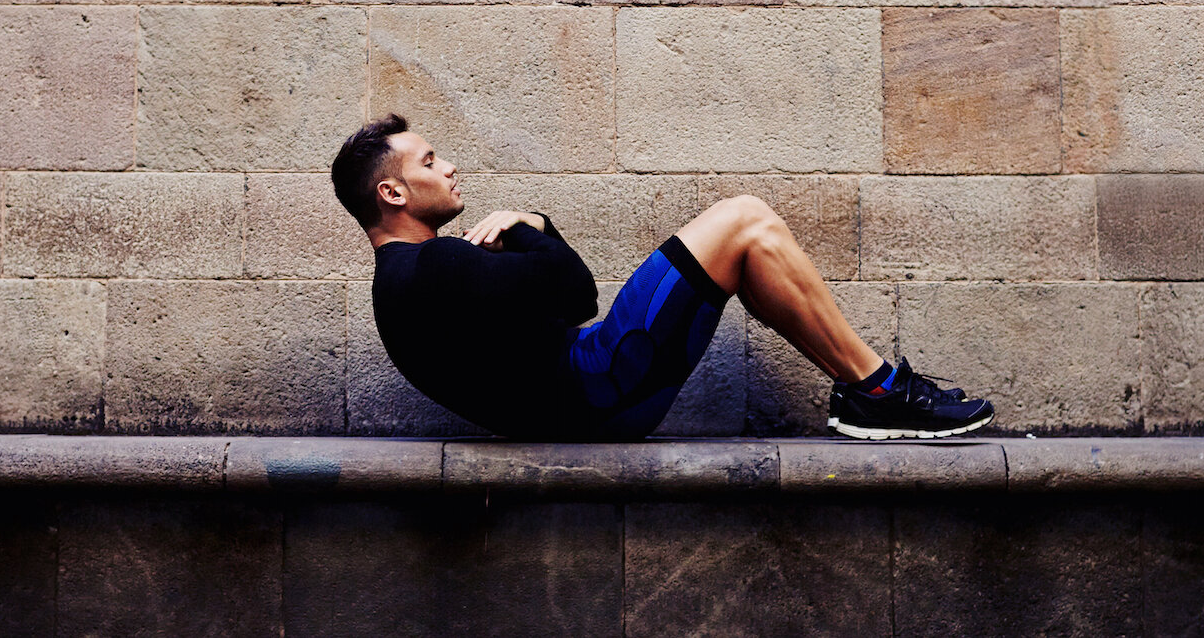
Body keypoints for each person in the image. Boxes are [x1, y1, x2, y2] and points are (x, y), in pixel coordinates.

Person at [330, 114, 994, 441]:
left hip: (591, 396)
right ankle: (879, 389)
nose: (447, 168)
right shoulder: (436, 266)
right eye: (429, 159)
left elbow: (541, 317)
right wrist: (529, 223)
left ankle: (867, 391)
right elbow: (575, 291)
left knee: (744, 246)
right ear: (392, 192)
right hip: (602, 383)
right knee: (745, 219)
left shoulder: (401, 286)